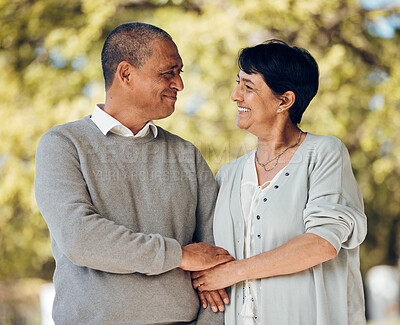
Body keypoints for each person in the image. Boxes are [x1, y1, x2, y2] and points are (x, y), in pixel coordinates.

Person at [34, 22, 233, 325]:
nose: (179, 84)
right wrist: (180, 255)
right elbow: (81, 238)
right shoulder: (63, 145)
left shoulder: (186, 154)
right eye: (168, 72)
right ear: (126, 74)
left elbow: (216, 258)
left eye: (180, 72)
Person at [192, 40, 367, 324]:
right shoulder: (228, 174)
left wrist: (233, 272)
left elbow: (321, 243)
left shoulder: (324, 153)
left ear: (284, 101)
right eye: (238, 84)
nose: (236, 95)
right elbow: (210, 255)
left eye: (248, 87)